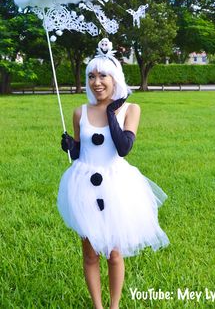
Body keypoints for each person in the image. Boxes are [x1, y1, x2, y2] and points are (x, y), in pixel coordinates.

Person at [57, 38, 169, 309]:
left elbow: (123, 148)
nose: (97, 82)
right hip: (84, 186)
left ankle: (114, 305)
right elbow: (79, 152)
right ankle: (98, 306)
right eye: (91, 76)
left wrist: (110, 113)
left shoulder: (131, 109)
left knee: (115, 254)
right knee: (90, 253)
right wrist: (70, 146)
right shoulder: (78, 112)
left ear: (115, 77)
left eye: (103, 75)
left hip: (116, 187)